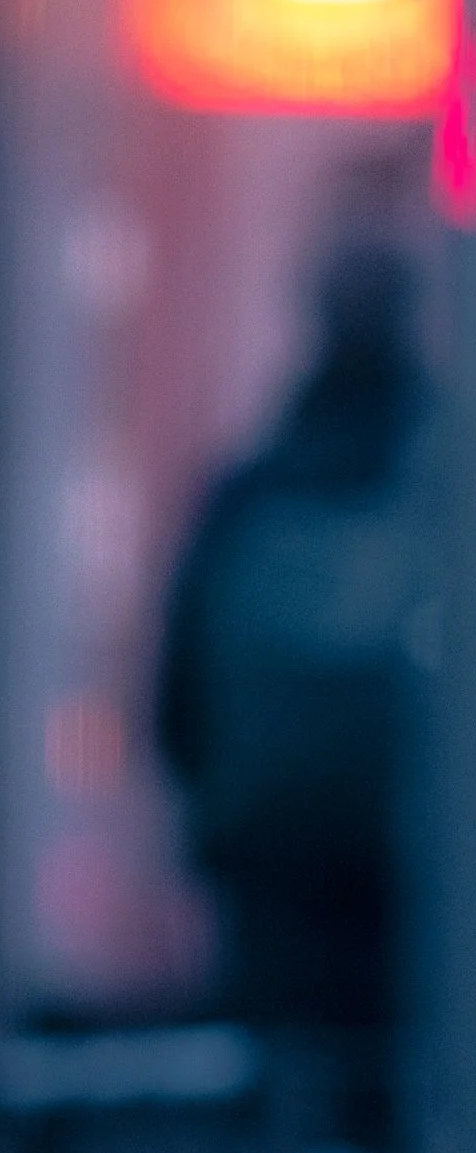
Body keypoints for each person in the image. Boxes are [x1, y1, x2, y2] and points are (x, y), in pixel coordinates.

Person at [155, 238, 437, 1038]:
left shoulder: (255, 486)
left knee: (288, 1057)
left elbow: (176, 699)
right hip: (410, 862)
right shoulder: (441, 489)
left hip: (272, 862)